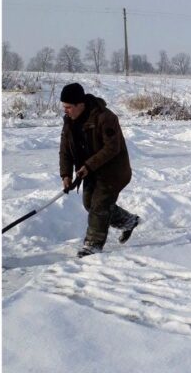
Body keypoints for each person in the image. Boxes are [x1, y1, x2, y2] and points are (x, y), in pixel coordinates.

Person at [59, 82, 140, 257]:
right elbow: (65, 150)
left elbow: (112, 147)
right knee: (89, 203)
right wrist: (65, 174)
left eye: (68, 107)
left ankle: (93, 245)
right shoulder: (69, 122)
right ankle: (128, 221)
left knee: (99, 205)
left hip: (113, 171)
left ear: (80, 104)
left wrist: (88, 166)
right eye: (64, 107)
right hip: (90, 172)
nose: (65, 111)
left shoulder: (105, 117)